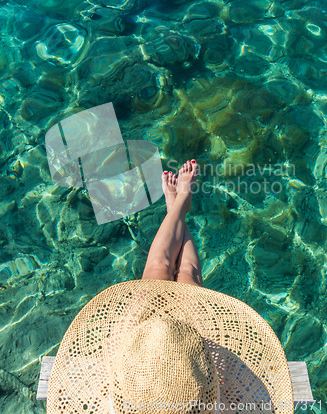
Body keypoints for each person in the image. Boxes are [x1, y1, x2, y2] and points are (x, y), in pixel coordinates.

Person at [47, 157, 294, 414]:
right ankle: (178, 206)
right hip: (184, 352)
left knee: (169, 269)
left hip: (147, 344)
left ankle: (177, 207)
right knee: (178, 270)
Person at [142, 159, 203, 286]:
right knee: (188, 272)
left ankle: (177, 205)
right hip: (190, 307)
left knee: (158, 266)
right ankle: (180, 200)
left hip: (149, 306)